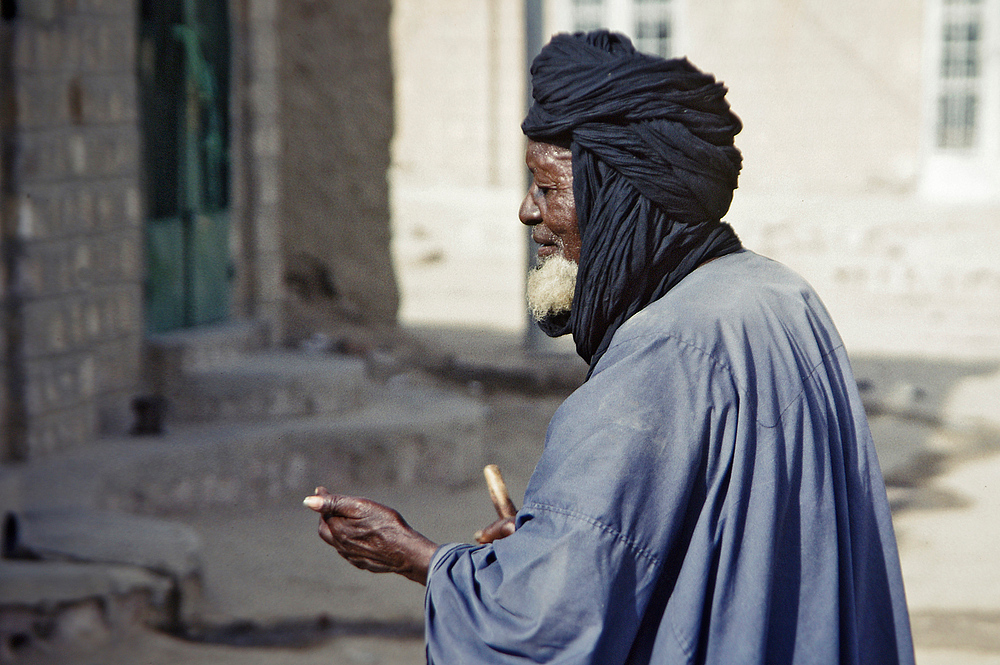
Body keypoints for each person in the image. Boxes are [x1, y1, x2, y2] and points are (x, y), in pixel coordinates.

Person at [305, 30, 915, 664]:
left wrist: (418, 559)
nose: (526, 212)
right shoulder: (779, 296)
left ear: (617, 196)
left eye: (547, 188)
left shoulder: (658, 355)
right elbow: (727, 546)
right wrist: (548, 546)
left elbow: (540, 625)